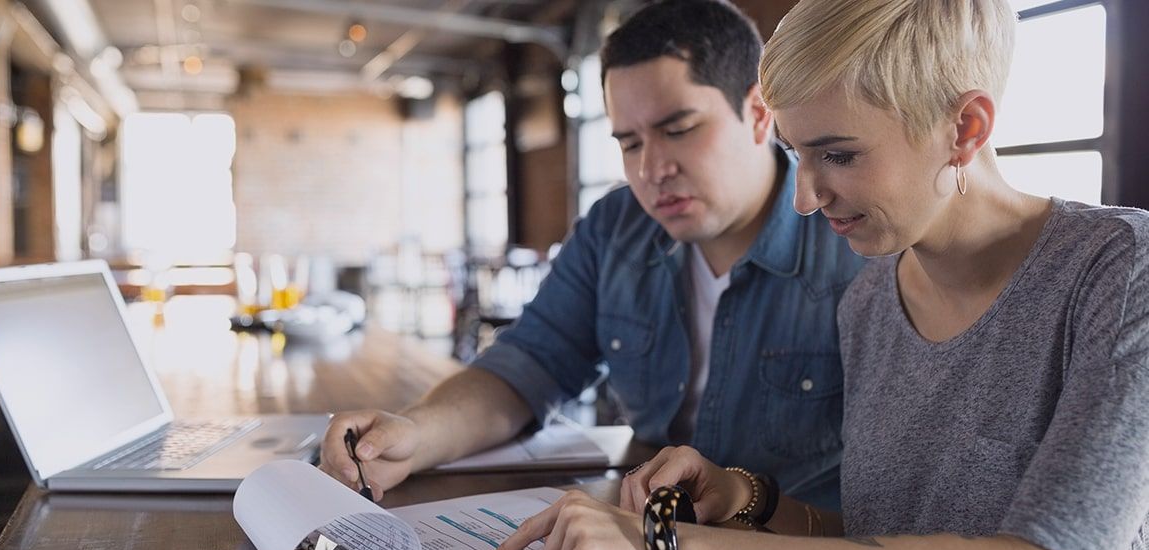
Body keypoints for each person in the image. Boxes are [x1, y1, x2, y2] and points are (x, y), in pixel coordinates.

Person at [487, 0, 1149, 550]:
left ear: (965, 129)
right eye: (798, 154)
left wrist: (665, 545)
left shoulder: (1119, 272)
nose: (805, 197)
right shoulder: (870, 298)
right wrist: (751, 498)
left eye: (839, 155)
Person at [319, 0, 864, 511]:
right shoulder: (615, 228)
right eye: (629, 143)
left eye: (678, 130)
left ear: (758, 113)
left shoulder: (855, 239)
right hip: (645, 536)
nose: (651, 169)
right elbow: (529, 364)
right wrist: (415, 435)